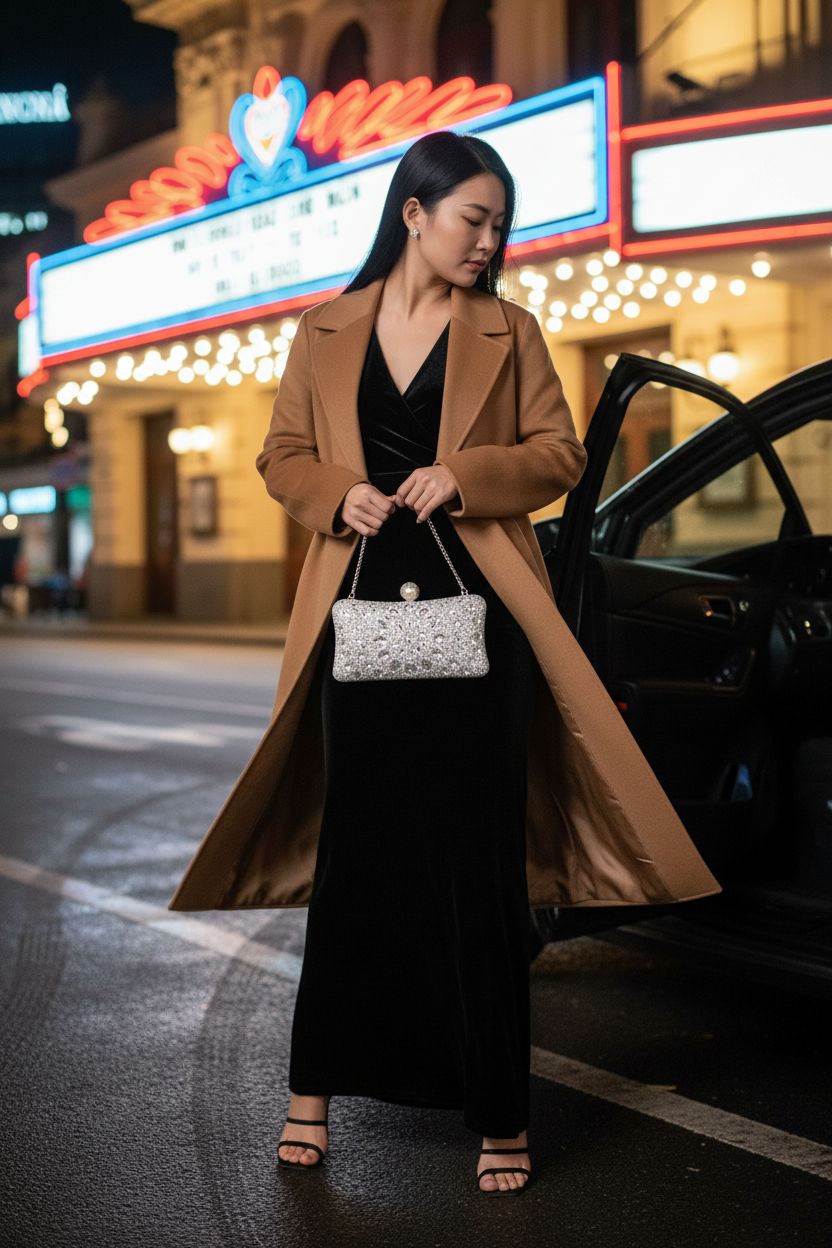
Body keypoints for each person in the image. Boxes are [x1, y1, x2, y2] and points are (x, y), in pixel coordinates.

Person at [270, 130, 585, 1196]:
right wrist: (332, 495)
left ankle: (498, 1109)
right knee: (355, 859)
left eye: (500, 224)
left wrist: (463, 473)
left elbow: (559, 453)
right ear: (414, 212)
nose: (490, 242)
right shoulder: (323, 331)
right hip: (356, 625)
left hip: (480, 629)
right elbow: (282, 456)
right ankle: (311, 1091)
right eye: (473, 219)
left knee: (477, 866)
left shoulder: (510, 330)